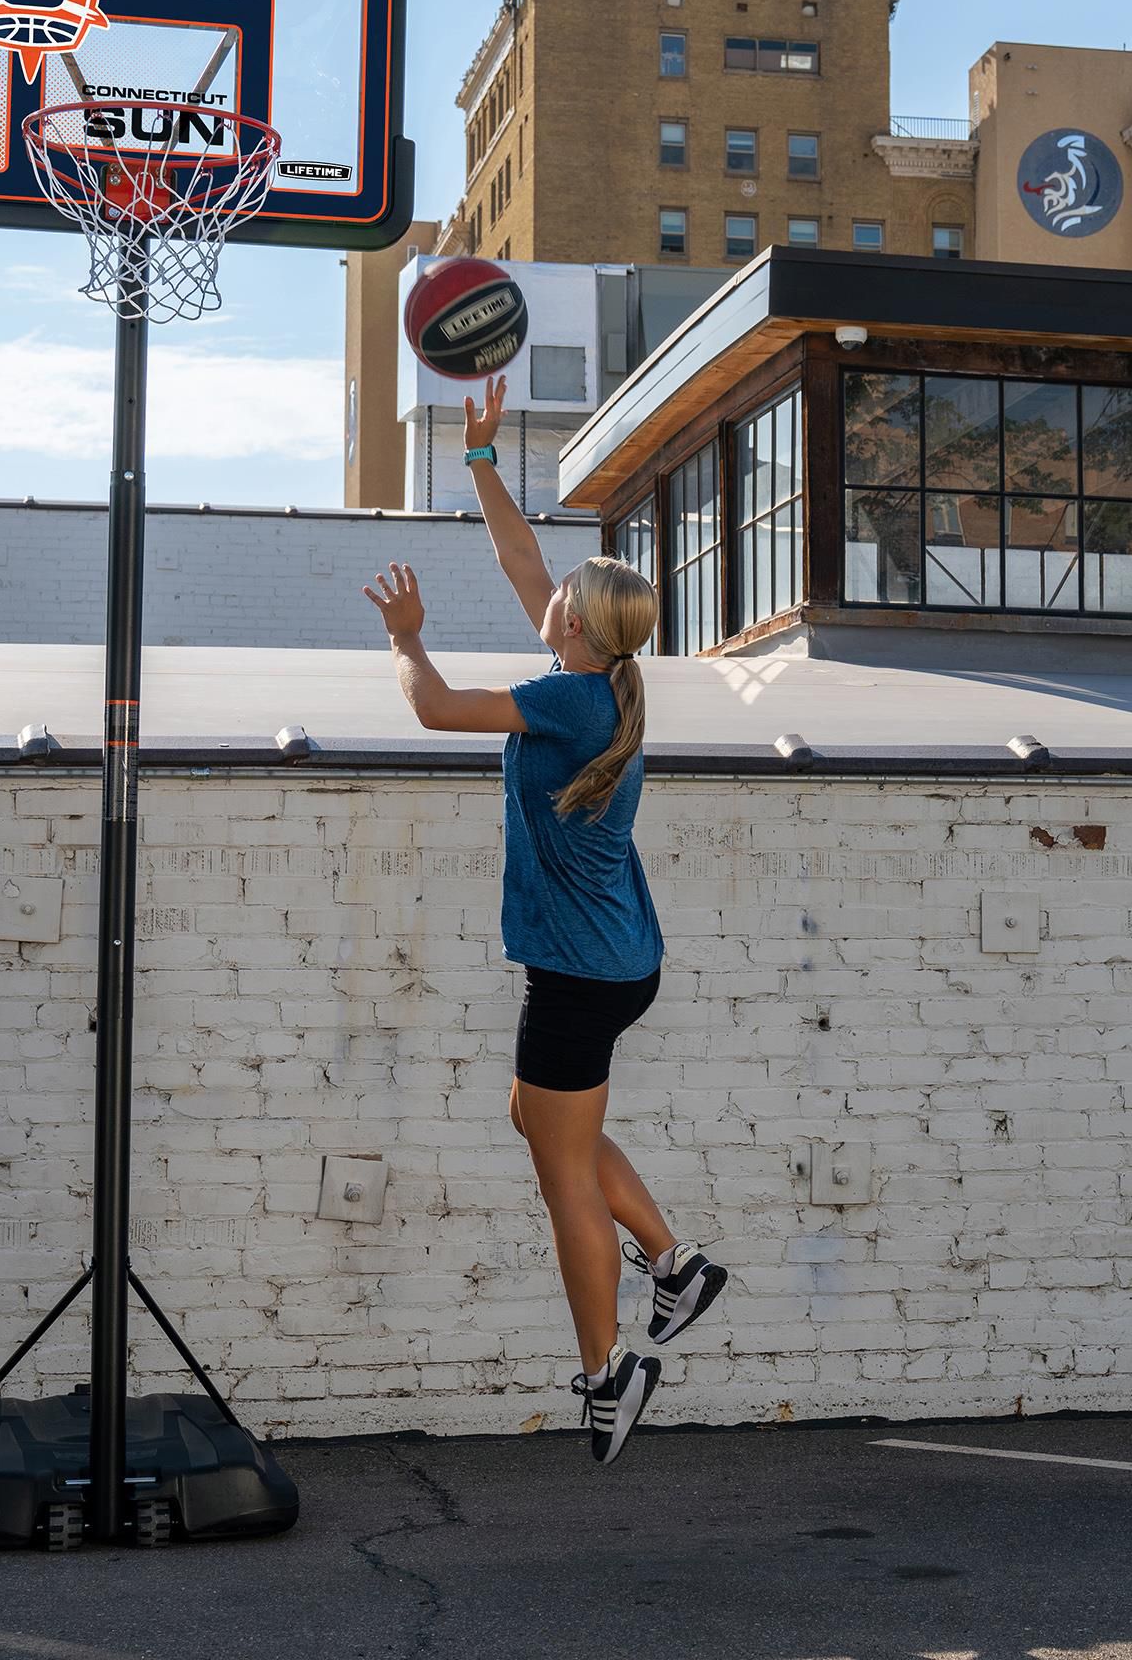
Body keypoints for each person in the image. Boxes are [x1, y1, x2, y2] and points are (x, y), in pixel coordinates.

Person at [362, 374, 727, 1465]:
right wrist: (480, 457)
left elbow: (434, 708)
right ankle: (674, 1264)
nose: (548, 592)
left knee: (561, 1175)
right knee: (537, 1118)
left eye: (562, 593)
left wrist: (406, 637)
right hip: (611, 962)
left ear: (576, 621)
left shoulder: (569, 697)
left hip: (578, 975)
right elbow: (524, 558)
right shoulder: (594, 679)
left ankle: (608, 1373)